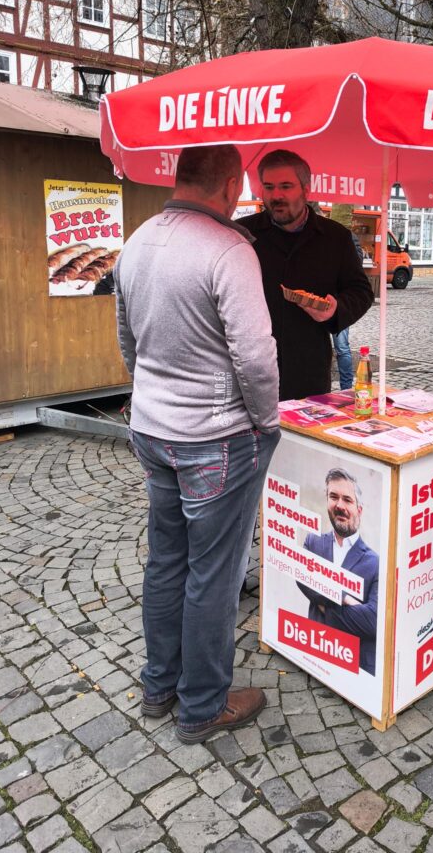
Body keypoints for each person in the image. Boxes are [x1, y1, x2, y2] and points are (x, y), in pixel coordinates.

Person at [114, 144, 281, 744]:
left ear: (179, 177)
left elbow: (128, 340)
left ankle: (160, 685)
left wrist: (153, 395)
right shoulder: (229, 249)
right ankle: (203, 706)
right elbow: (256, 357)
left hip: (153, 430)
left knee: (166, 561)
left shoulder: (136, 242)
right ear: (231, 184)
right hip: (216, 437)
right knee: (212, 573)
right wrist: (266, 423)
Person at [239, 151, 374, 400]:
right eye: (268, 187)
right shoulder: (242, 234)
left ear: (306, 189)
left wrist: (336, 310)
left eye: (286, 186)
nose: (276, 195)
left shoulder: (335, 238)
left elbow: (361, 291)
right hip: (249, 371)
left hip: (308, 371)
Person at [297, 468, 379, 674]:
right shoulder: (312, 542)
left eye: (347, 500)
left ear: (359, 509)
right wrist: (342, 597)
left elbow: (373, 622)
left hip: (356, 665)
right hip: (317, 652)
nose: (339, 505)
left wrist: (326, 605)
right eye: (333, 497)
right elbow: (302, 577)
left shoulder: (375, 562)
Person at [332, 231, 367, 390]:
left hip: (339, 302)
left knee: (342, 348)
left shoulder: (345, 235)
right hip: (315, 302)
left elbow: (356, 263)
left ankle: (346, 388)